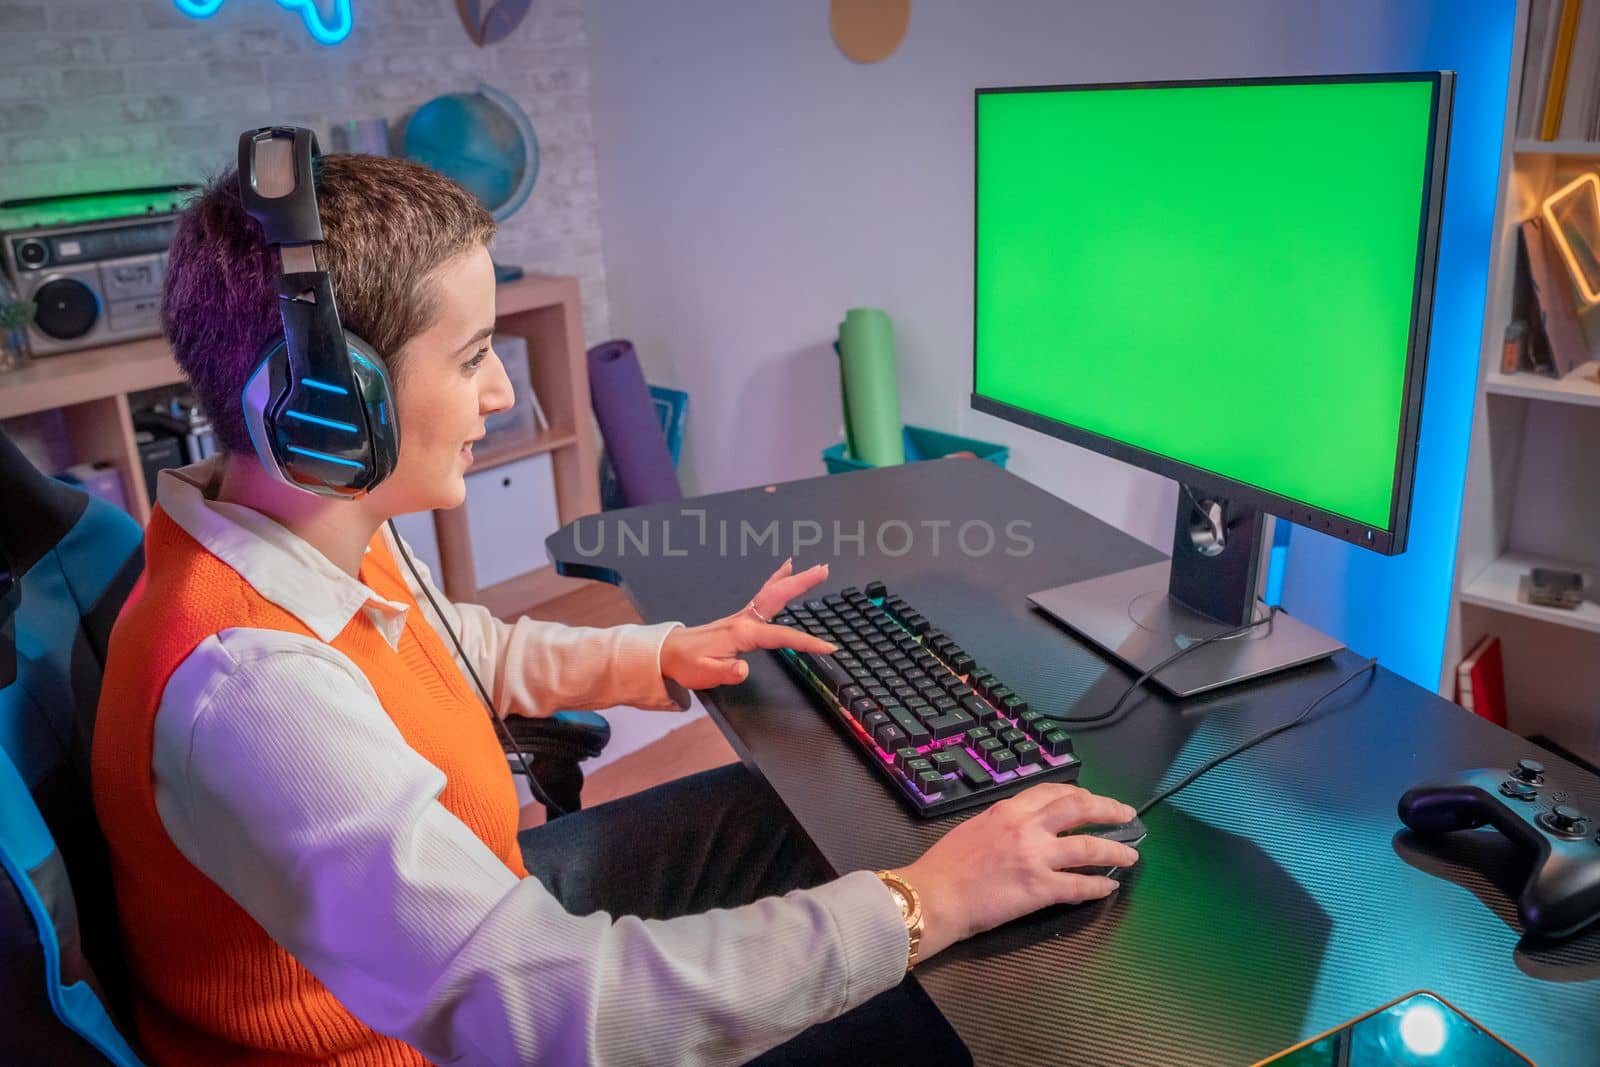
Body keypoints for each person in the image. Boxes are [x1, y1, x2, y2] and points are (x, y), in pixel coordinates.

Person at [91, 149, 1140, 1066]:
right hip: (417, 1044)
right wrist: (929, 902)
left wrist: (668, 653)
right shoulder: (258, 694)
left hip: (468, 918)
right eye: (469, 361)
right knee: (956, 1021)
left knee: (788, 812)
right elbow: (555, 1012)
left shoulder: (294, 530)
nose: (501, 394)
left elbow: (466, 644)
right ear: (324, 408)